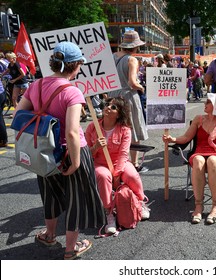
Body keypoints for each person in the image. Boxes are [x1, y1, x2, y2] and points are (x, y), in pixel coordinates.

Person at [14, 41, 105, 260]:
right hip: (69, 152)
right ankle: (70, 249)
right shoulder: (72, 92)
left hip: (43, 150)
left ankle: (49, 234)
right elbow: (73, 132)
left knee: (50, 195)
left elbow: (18, 115)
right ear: (75, 65)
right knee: (76, 200)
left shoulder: (36, 85)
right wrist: (75, 162)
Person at [162, 93, 216, 225]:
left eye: (208, 102)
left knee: (212, 160)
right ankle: (198, 205)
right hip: (199, 151)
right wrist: (173, 139)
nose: (204, 105)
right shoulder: (198, 119)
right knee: (198, 160)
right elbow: (187, 137)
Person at [85, 96, 150, 234]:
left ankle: (140, 201)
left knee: (132, 175)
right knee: (103, 176)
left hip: (119, 162)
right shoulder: (92, 127)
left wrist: (117, 172)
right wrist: (95, 147)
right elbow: (85, 154)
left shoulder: (125, 129)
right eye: (107, 104)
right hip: (100, 163)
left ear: (119, 113)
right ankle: (109, 213)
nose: (108, 107)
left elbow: (123, 153)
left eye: (113, 107)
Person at [110, 30, 149, 173]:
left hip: (113, 95)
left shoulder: (113, 56)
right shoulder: (132, 59)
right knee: (132, 130)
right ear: (135, 46)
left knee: (115, 128)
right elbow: (132, 82)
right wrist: (142, 87)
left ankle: (115, 160)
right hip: (128, 96)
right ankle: (134, 163)